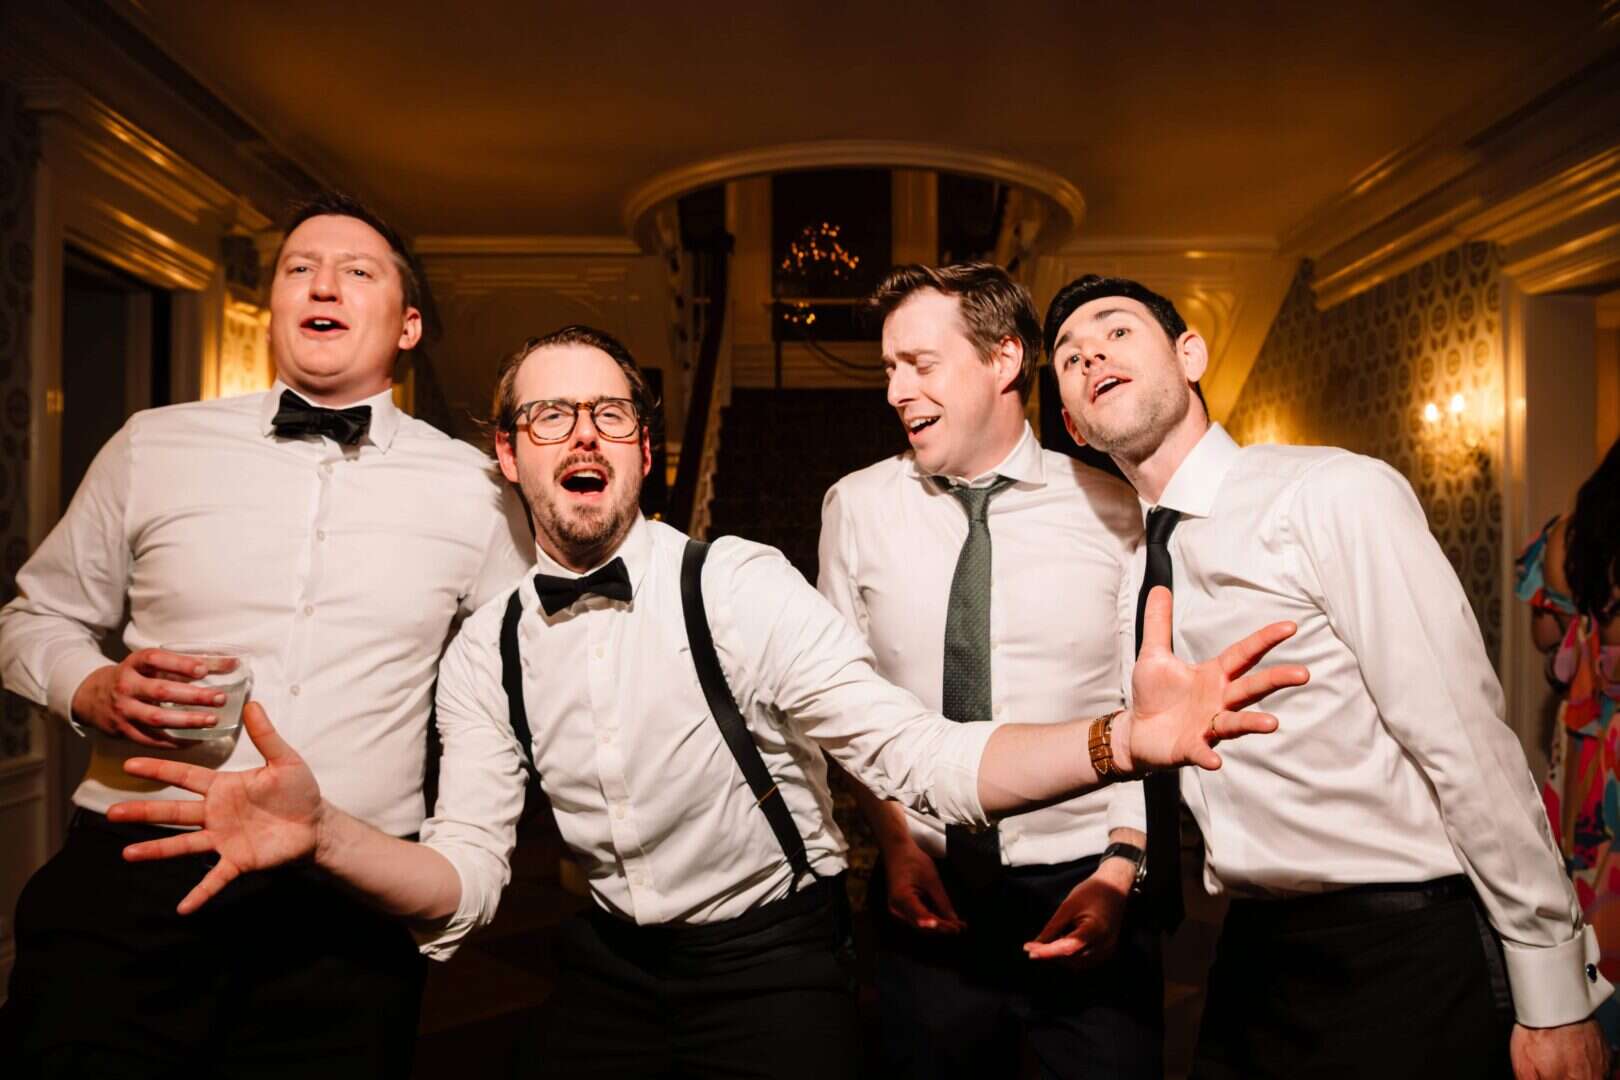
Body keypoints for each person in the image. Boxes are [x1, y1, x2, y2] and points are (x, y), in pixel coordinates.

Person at [107, 324, 1307, 1080]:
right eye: (549, 415)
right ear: (507, 454)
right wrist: (332, 839)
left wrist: (1122, 741)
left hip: (773, 964)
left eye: (612, 413)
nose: (584, 433)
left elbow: (921, 757)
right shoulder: (488, 651)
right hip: (605, 969)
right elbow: (468, 884)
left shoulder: (736, 583)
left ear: (644, 449)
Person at [0, 191, 531, 1079]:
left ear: (406, 326)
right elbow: (33, 617)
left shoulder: (478, 492)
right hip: (132, 874)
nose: (323, 281)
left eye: (357, 271)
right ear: (275, 306)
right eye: (300, 268)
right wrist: (88, 687)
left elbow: (520, 678)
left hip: (345, 902)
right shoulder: (152, 445)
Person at [1045, 272, 1613, 1080]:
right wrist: (1117, 867)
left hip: (1405, 943)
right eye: (1069, 356)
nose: (1091, 351)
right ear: (1073, 421)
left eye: (1116, 330)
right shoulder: (1135, 566)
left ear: (1191, 353)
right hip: (1253, 954)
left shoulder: (1329, 494)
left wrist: (1554, 991)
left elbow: (1466, 743)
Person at [818, 263, 1162, 1078]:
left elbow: (1146, 709)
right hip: (927, 896)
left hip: (1086, 885)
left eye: (922, 365)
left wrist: (1121, 870)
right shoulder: (856, 508)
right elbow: (844, 703)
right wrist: (895, 845)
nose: (898, 392)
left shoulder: (1116, 512)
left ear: (1004, 360)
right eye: (890, 370)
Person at [1517, 437, 1620, 984]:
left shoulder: (1567, 536)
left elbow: (1543, 639)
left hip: (1580, 728)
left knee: (1581, 867)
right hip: (1606, 738)